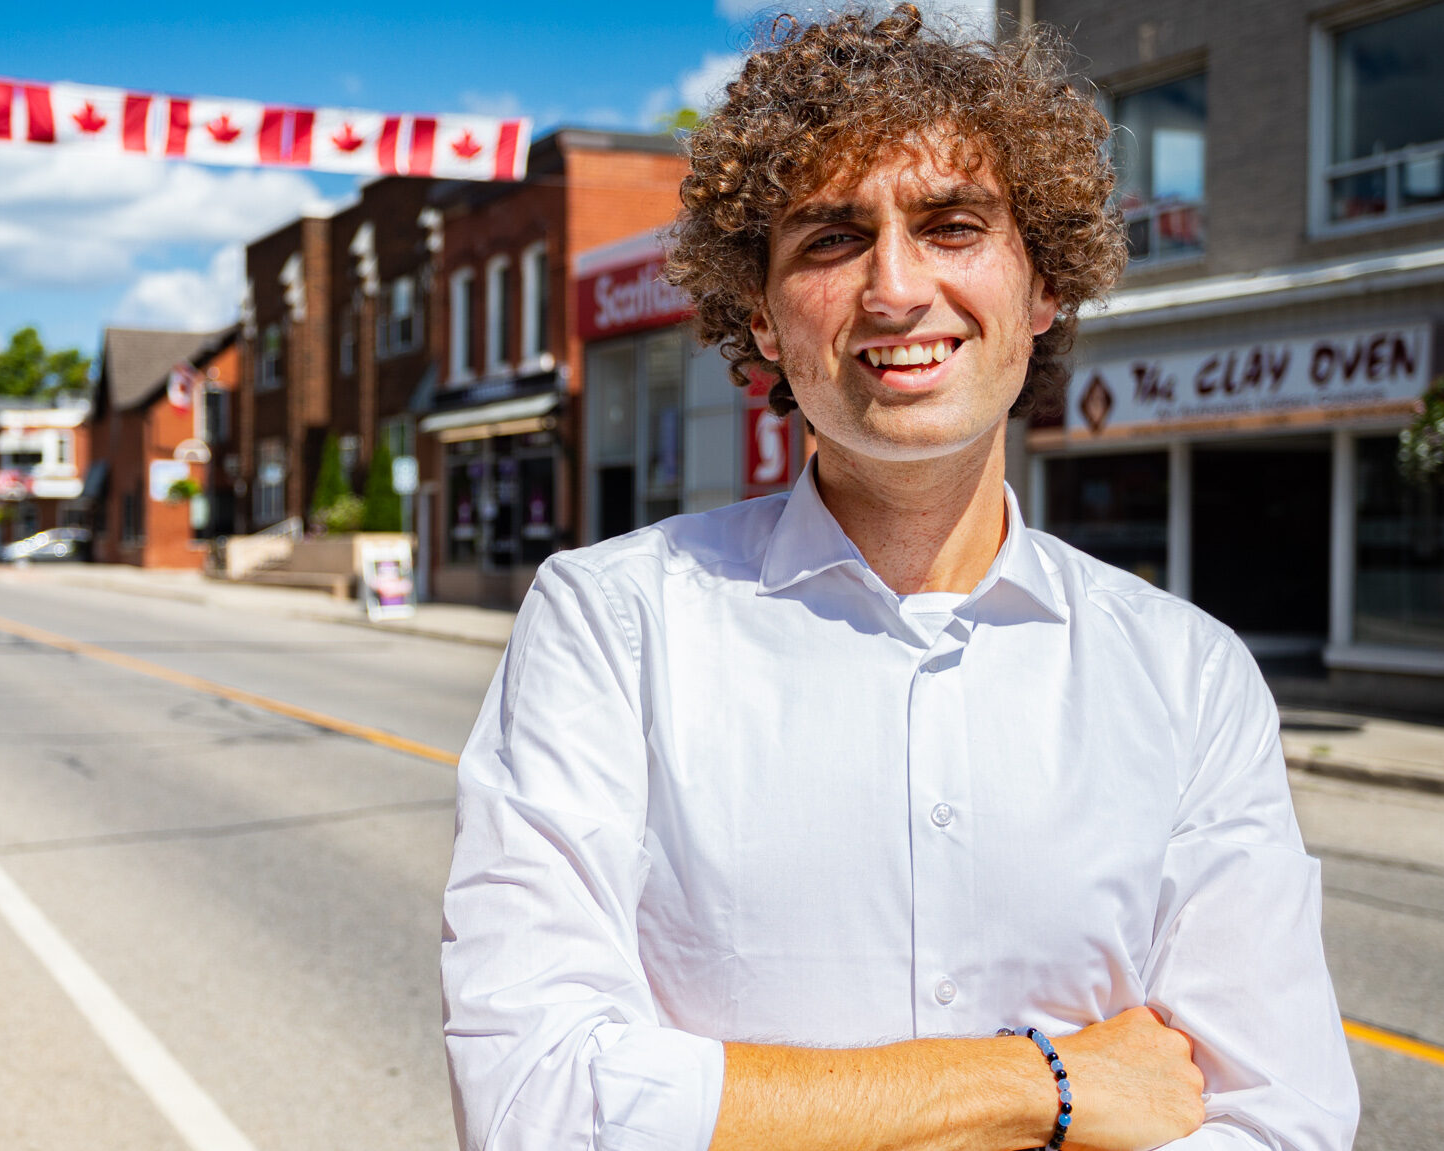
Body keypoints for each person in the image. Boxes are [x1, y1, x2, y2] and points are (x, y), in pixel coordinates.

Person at [440, 7, 1360, 1151]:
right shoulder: (610, 625)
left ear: (1042, 288)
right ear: (762, 321)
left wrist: (732, 1107)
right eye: (827, 239)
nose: (892, 288)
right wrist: (1042, 1083)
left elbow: (1278, 1121)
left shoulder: (1187, 676)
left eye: (952, 224)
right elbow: (536, 1104)